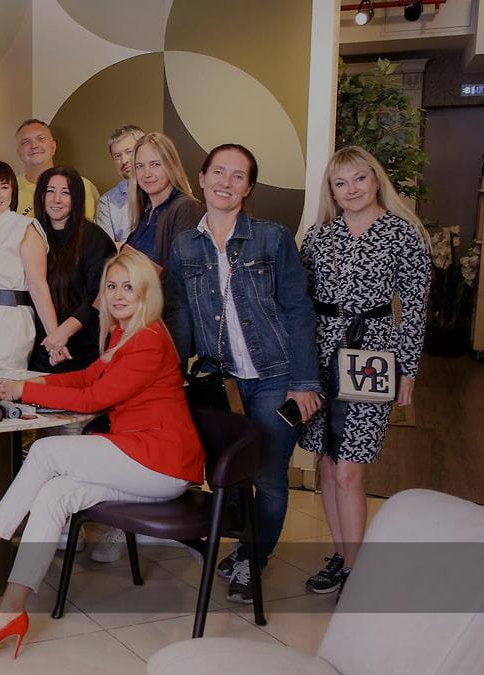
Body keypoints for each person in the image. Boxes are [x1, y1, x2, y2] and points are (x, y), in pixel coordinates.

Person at [0, 249, 202, 657]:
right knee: (54, 495)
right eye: (111, 287)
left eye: (129, 287)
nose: (118, 295)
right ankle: (10, 611)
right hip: (139, 458)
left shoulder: (149, 340)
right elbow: (87, 378)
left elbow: (93, 399)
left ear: (147, 292)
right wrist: (34, 382)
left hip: (160, 462)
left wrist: (26, 391)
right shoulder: (123, 335)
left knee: (45, 452)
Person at [162, 143, 321, 603]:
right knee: (228, 474)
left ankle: (254, 558)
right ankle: (245, 546)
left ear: (248, 187)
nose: (225, 183)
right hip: (221, 381)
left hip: (275, 377)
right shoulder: (184, 245)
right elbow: (180, 316)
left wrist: (304, 382)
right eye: (218, 172)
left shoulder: (272, 238)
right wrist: (173, 379)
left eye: (237, 176)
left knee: (268, 476)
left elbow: (298, 310)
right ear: (202, 178)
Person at [299, 145, 431, 595]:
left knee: (349, 469)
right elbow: (298, 302)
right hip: (320, 356)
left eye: (359, 178)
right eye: (341, 182)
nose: (351, 189)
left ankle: (356, 572)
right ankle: (341, 556)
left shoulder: (403, 233)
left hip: (373, 357)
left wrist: (408, 371)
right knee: (327, 462)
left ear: (376, 180)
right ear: (332, 191)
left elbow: (413, 309)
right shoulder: (319, 237)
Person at [0, 161, 60, 371]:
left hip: (11, 320)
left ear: (13, 192)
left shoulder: (25, 227)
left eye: (4, 187)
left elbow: (38, 286)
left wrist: (55, 337)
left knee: (2, 383)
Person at [28, 166, 116, 373]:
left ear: (77, 198)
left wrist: (64, 332)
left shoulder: (94, 238)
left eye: (65, 192)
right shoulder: (32, 235)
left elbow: (100, 295)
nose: (56, 199)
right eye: (50, 191)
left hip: (84, 349)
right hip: (42, 348)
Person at [123, 132, 204, 269]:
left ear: (171, 165)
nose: (147, 174)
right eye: (139, 166)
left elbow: (181, 273)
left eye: (155, 164)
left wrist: (132, 260)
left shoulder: (186, 207)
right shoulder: (145, 210)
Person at [14, 118, 99, 222]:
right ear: (18, 153)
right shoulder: (7, 190)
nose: (34, 146)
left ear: (53, 146)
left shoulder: (84, 186)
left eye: (41, 139)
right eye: (26, 142)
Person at [95, 125, 146, 245]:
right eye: (117, 156)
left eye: (129, 152)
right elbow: (108, 251)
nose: (124, 161)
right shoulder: (107, 203)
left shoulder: (163, 193)